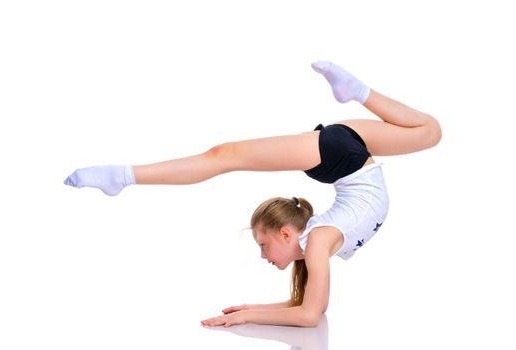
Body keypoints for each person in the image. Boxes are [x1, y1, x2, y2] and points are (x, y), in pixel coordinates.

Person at [64, 61, 442, 328]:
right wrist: (250, 313)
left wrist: (248, 312)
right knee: (226, 156)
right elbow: (312, 313)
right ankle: (123, 176)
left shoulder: (319, 241)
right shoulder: (318, 241)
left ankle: (356, 90)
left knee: (431, 132)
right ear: (285, 234)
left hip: (353, 156)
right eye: (264, 245)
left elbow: (310, 311)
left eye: (260, 246)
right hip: (347, 155)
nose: (263, 255)